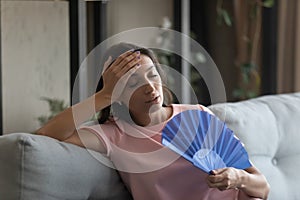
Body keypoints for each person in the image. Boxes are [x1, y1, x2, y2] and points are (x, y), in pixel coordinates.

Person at [36, 42, 270, 200]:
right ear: (117, 94)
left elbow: (263, 187)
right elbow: (45, 135)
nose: (149, 87)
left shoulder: (197, 114)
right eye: (133, 82)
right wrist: (104, 95)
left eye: (153, 75)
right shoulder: (114, 135)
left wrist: (237, 177)